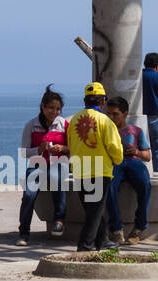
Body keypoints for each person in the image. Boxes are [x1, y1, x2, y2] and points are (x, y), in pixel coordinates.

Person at [66, 81, 123, 252]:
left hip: (79, 171)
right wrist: (117, 160)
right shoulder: (105, 121)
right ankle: (84, 246)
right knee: (95, 212)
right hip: (99, 171)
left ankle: (103, 241)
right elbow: (115, 147)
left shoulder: (74, 119)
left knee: (92, 209)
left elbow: (70, 143)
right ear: (103, 101)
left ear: (85, 101)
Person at [16, 85, 70, 245]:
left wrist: (63, 148)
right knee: (29, 195)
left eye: (58, 109)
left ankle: (59, 221)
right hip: (37, 164)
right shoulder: (31, 125)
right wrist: (38, 149)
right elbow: (24, 152)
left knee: (57, 180)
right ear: (43, 107)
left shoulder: (63, 125)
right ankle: (24, 232)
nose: (55, 112)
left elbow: (73, 149)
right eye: (51, 108)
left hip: (58, 163)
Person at [105, 96, 151, 244]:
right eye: (109, 114)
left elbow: (147, 156)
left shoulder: (135, 131)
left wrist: (136, 152)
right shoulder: (104, 131)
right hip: (114, 164)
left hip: (133, 162)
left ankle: (139, 227)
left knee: (145, 184)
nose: (111, 117)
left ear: (125, 114)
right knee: (110, 186)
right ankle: (116, 229)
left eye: (115, 114)